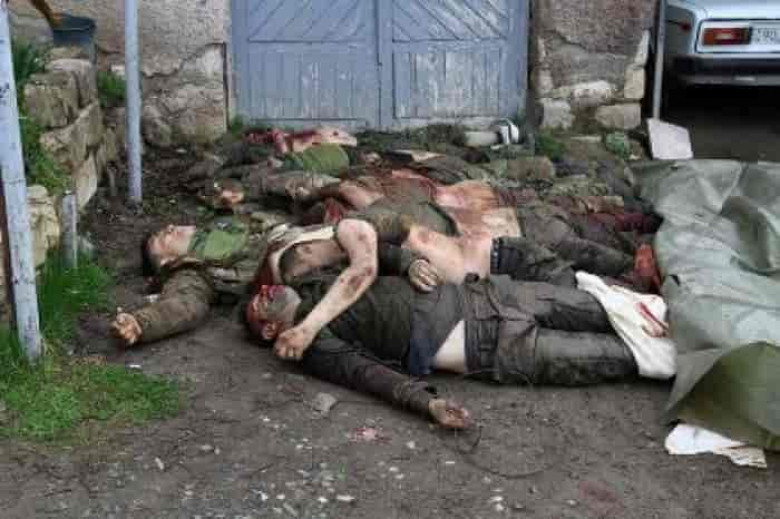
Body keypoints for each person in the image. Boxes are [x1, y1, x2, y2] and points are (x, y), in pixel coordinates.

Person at [243, 273, 638, 429]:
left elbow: (375, 247)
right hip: (491, 343)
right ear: (270, 330)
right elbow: (365, 373)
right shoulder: (313, 346)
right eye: (260, 304)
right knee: (625, 354)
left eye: (261, 291)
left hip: (489, 293)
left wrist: (409, 259)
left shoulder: (318, 281)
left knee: (624, 309)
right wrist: (427, 403)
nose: (265, 291)